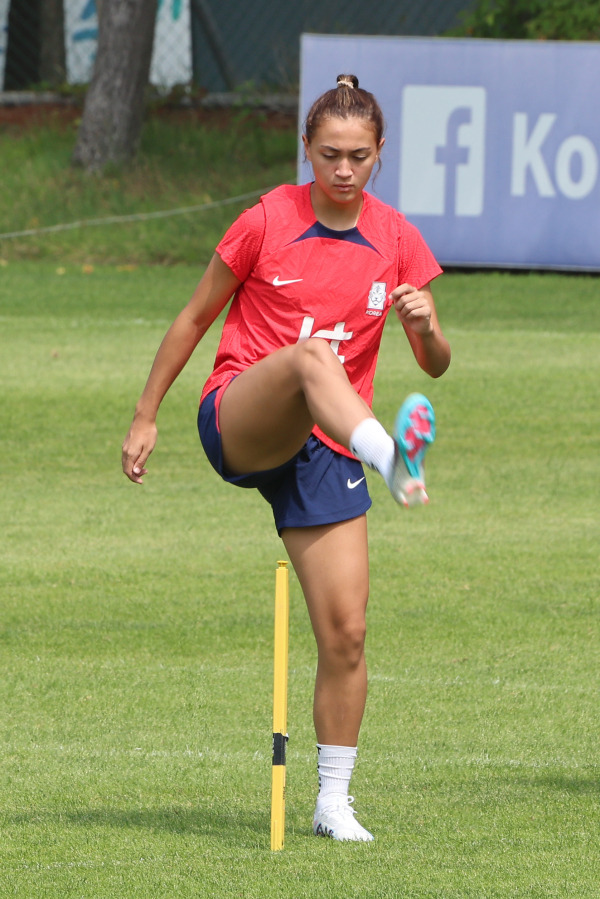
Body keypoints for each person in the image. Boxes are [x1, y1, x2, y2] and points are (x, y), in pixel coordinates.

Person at [122, 73, 451, 842]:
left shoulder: (398, 239)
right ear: (306, 148)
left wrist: (428, 323)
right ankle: (393, 459)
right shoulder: (268, 217)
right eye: (329, 154)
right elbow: (196, 315)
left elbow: (433, 365)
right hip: (243, 414)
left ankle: (333, 799)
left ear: (378, 156)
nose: (342, 169)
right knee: (310, 360)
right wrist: (145, 415)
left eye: (358, 156)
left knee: (347, 631)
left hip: (326, 447)